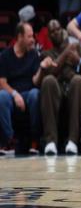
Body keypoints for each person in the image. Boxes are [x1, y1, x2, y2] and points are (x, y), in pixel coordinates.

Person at [38, 20, 81, 155]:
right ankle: (51, 142)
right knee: (48, 80)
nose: (56, 33)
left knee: (79, 80)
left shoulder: (77, 48)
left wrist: (78, 61)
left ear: (62, 30)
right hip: (57, 91)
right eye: (52, 32)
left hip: (74, 89)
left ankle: (73, 141)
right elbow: (51, 71)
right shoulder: (46, 54)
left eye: (58, 29)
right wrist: (66, 53)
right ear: (49, 36)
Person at [0, 22, 48, 155]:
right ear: (20, 37)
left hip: (28, 94)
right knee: (2, 96)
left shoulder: (33, 55)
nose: (33, 40)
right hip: (11, 95)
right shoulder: (5, 56)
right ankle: (9, 141)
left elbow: (35, 81)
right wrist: (15, 94)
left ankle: (34, 141)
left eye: (33, 36)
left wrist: (42, 69)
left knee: (35, 94)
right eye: (29, 36)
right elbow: (2, 82)